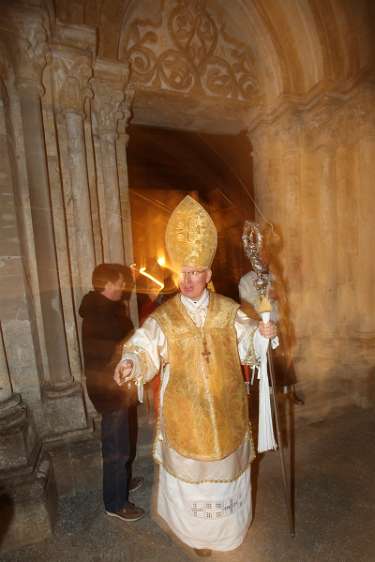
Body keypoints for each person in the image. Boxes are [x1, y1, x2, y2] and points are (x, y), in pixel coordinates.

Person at [114, 197, 276, 556]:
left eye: (194, 272)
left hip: (226, 409)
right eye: (182, 272)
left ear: (207, 276)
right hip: (186, 413)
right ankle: (196, 536)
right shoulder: (166, 316)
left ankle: (228, 531)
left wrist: (262, 334)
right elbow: (145, 346)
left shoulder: (227, 310)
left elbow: (248, 340)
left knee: (224, 480)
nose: (186, 280)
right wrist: (131, 363)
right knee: (194, 484)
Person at [79, 263, 145, 522]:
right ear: (107, 285)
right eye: (119, 282)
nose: (123, 287)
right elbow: (122, 343)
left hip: (117, 386)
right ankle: (115, 503)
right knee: (116, 449)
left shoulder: (104, 308)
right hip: (109, 390)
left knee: (124, 442)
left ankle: (122, 483)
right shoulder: (100, 316)